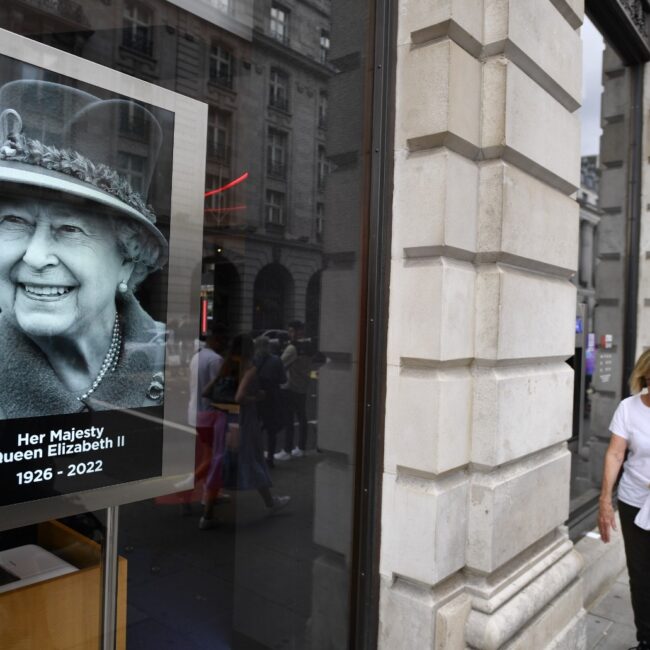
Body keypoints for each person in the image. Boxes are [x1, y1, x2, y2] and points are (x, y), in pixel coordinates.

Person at [0, 80, 168, 417]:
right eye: (14, 222)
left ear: (128, 258)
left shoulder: (175, 357)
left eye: (69, 229)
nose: (34, 256)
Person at [598, 349, 650, 650]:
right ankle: (646, 640)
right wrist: (605, 501)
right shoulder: (628, 409)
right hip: (634, 501)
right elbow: (616, 453)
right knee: (641, 576)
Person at [275, 320, 311, 460]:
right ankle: (301, 448)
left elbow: (279, 364)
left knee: (288, 419)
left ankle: (287, 450)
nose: (289, 333)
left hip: (290, 387)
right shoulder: (308, 346)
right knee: (302, 417)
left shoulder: (292, 348)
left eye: (291, 330)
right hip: (303, 386)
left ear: (297, 332)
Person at [253, 336, 287, 467]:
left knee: (255, 428)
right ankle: (270, 458)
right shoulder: (276, 360)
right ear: (268, 346)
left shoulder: (253, 360)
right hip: (272, 397)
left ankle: (255, 456)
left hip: (256, 398)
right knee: (271, 431)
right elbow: (283, 379)